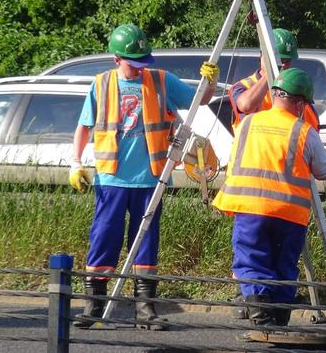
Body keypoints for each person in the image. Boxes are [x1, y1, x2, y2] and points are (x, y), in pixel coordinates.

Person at [68, 23, 218, 330]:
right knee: (103, 240)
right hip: (111, 179)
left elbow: (200, 100)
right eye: (132, 63)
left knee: (146, 242)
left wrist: (210, 82)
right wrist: (75, 162)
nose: (138, 69)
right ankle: (94, 305)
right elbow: (84, 127)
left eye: (142, 63)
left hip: (151, 179)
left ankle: (145, 309)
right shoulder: (101, 84)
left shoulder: (162, 81)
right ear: (116, 59)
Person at [212, 68, 326, 329]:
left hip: (249, 208)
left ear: (275, 94)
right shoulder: (304, 131)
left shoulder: (246, 124)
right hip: (289, 213)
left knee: (251, 259)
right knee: (284, 264)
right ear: (300, 103)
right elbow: (324, 171)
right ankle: (279, 317)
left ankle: (259, 312)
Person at [227, 28, 320, 319]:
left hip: (287, 193)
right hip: (254, 187)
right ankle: (256, 303)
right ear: (263, 59)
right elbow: (244, 106)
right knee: (253, 252)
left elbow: (311, 134)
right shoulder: (244, 86)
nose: (286, 68)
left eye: (288, 64)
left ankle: (269, 308)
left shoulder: (297, 94)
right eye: (281, 63)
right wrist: (271, 76)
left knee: (280, 257)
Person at [228, 28, 320, 132]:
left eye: (287, 61)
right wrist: (270, 73)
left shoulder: (295, 88)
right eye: (280, 60)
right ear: (262, 56)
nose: (284, 65)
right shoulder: (243, 87)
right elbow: (245, 105)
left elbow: (311, 123)